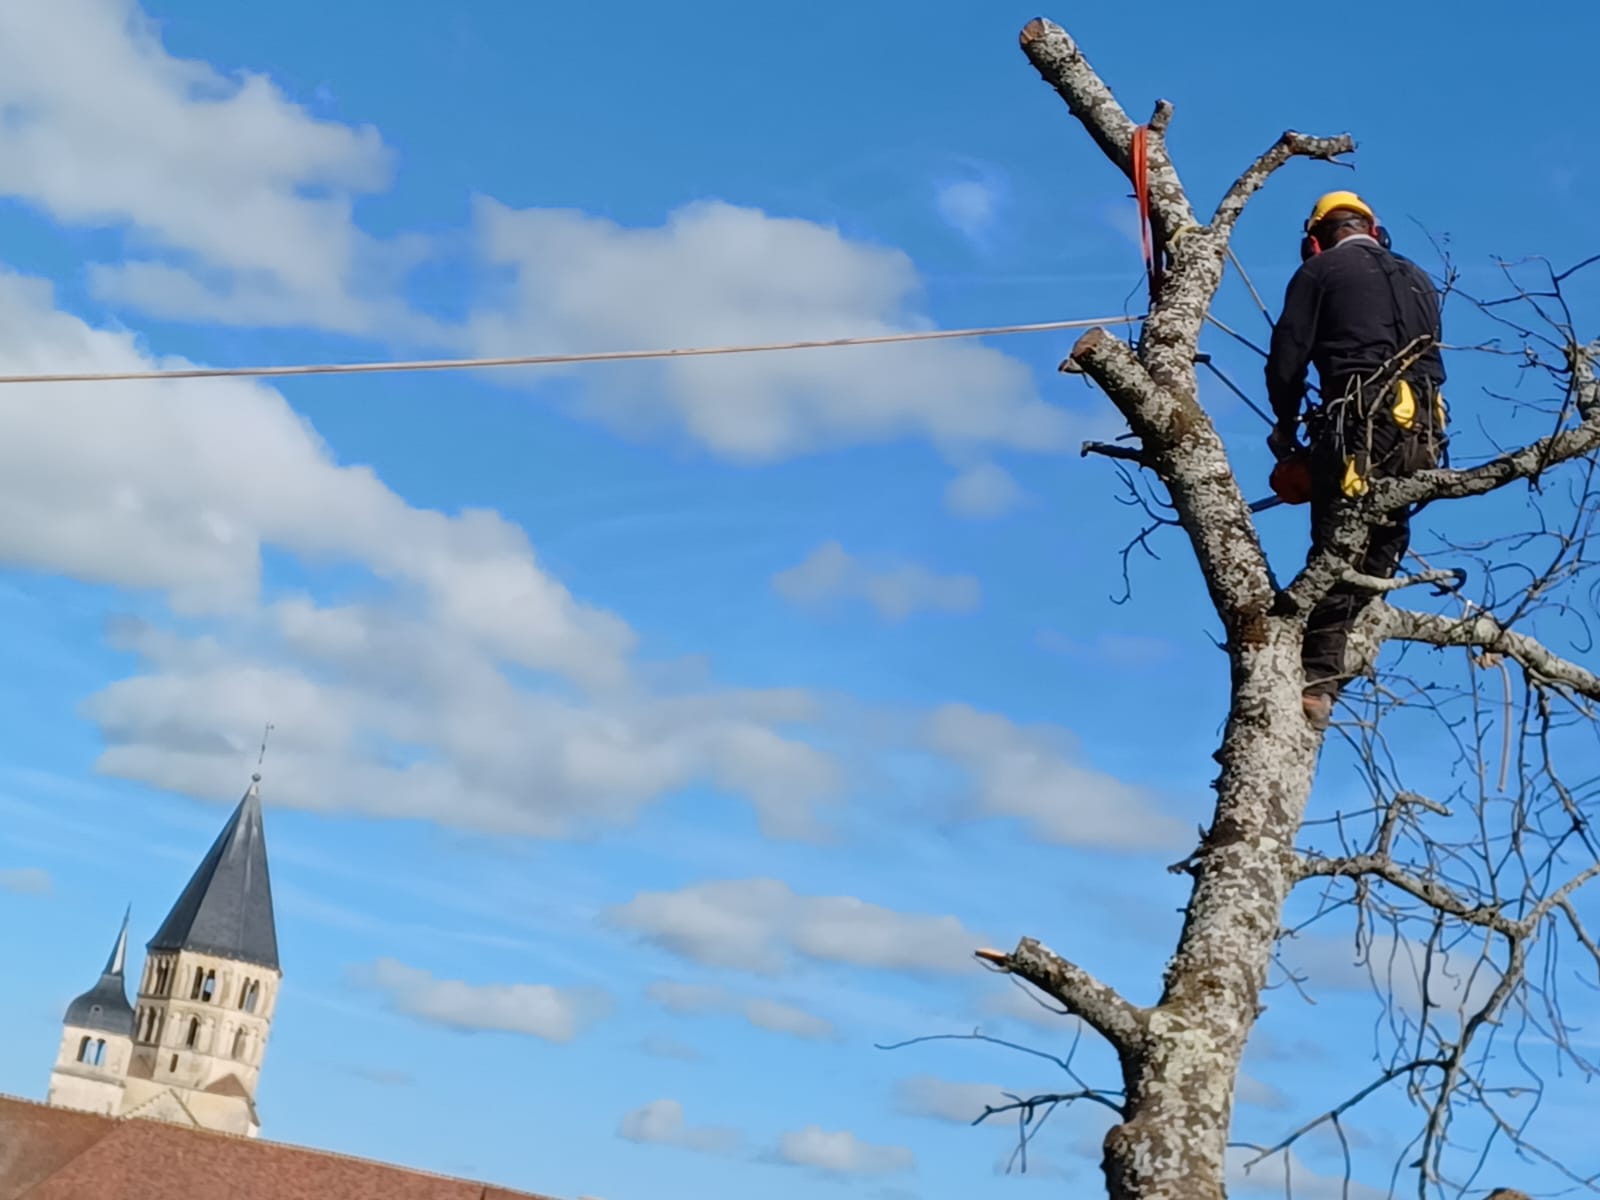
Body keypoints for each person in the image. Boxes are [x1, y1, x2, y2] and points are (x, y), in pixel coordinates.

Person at [1264, 190, 1448, 728]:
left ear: (1315, 240)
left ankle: (1316, 678)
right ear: (1376, 231)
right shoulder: (1420, 279)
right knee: (1385, 539)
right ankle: (1328, 675)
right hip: (1423, 434)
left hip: (1359, 429)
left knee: (1336, 546)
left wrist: (1284, 425)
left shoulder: (1319, 273)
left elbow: (1287, 361)